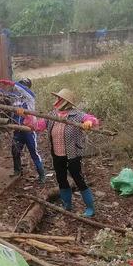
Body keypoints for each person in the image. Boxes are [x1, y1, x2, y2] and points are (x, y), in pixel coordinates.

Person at [36, 88, 99, 217]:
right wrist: (25, 116)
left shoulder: (77, 115)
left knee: (78, 179)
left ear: (65, 102)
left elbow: (93, 119)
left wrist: (89, 122)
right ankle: (67, 206)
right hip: (57, 154)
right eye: (57, 98)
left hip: (73, 155)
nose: (57, 101)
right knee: (61, 180)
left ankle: (90, 208)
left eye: (59, 99)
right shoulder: (52, 114)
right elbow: (38, 126)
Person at [0, 78, 45, 183]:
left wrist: (13, 83)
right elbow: (6, 95)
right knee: (15, 151)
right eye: (19, 85)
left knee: (34, 153)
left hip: (29, 131)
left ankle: (42, 174)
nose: (19, 88)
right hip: (17, 131)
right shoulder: (16, 99)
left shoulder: (30, 98)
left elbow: (25, 90)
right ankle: (17, 171)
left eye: (22, 86)